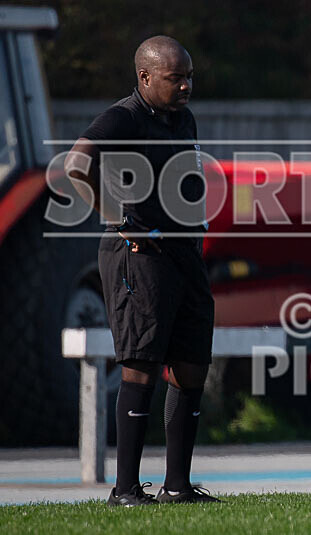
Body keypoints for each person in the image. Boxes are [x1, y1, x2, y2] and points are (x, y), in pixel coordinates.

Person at [64, 36, 219, 505]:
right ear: (145, 77)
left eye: (189, 77)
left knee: (192, 365)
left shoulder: (182, 117)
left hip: (183, 255)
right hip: (138, 254)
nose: (186, 86)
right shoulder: (123, 117)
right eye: (175, 78)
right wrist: (118, 218)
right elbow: (76, 164)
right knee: (141, 365)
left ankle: (177, 487)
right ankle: (125, 490)